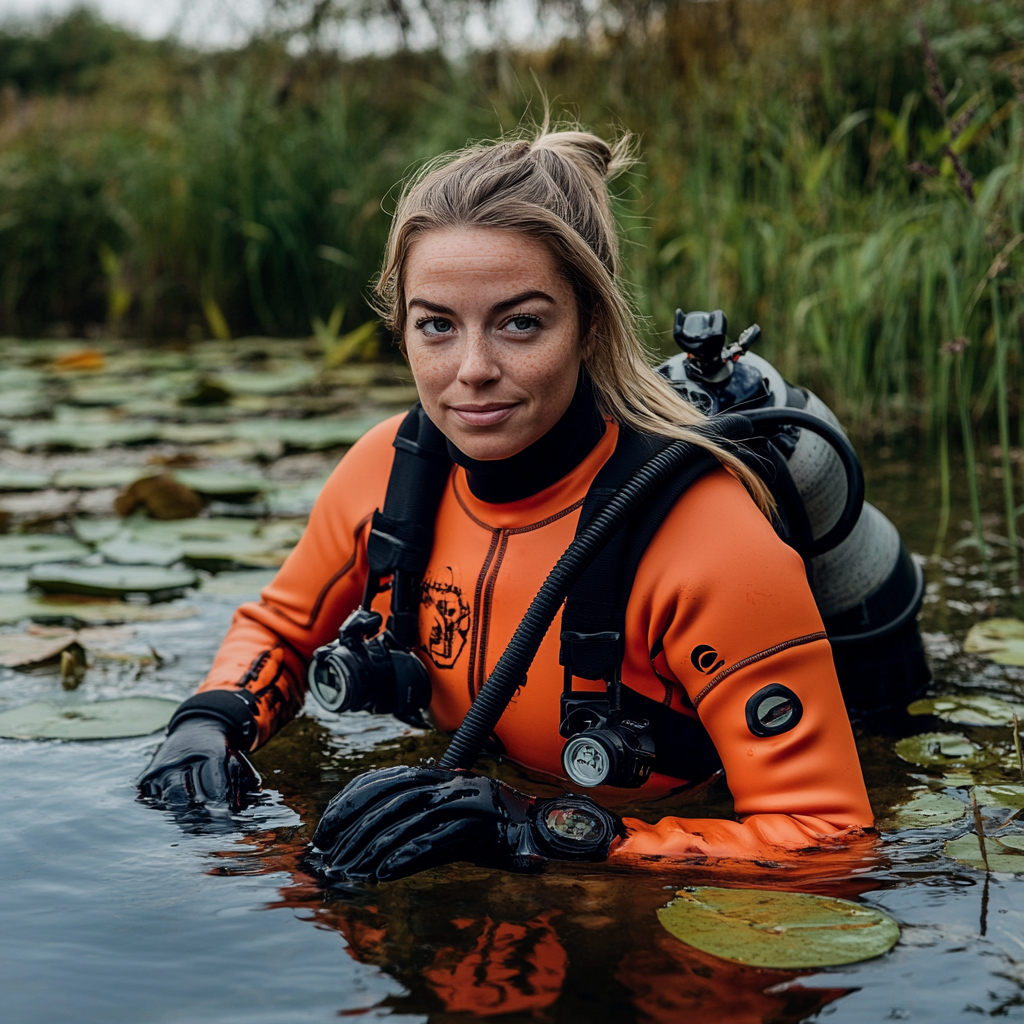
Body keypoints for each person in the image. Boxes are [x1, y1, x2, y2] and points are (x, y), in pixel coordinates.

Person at [140, 125, 874, 880]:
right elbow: (282, 630)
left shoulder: (707, 541)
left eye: (520, 323)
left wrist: (535, 828)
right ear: (402, 331)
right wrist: (208, 725)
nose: (473, 370)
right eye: (437, 326)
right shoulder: (385, 474)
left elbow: (832, 841)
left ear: (590, 323)